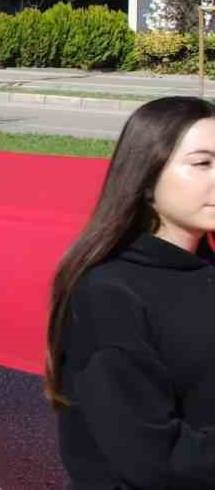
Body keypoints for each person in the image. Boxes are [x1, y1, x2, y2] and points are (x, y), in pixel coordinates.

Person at [45, 96, 215, 488]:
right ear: (147, 178)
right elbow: (153, 459)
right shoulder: (108, 295)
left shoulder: (203, 268)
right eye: (202, 163)